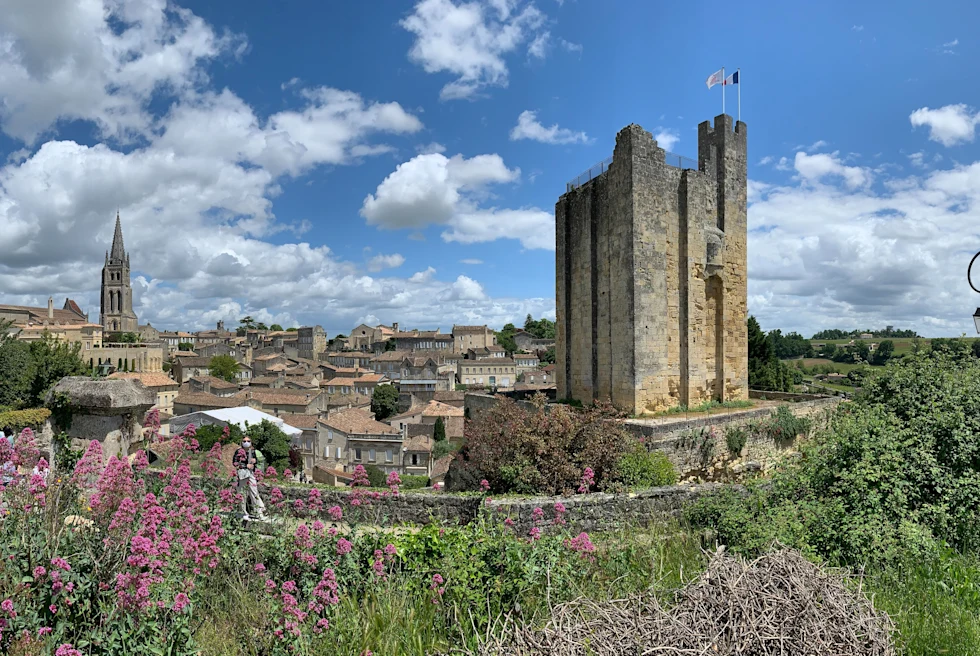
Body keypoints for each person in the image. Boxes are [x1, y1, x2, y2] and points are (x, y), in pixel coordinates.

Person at [232, 437, 267, 521]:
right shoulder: (238, 451)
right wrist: (244, 465)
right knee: (242, 494)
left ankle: (258, 512)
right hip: (242, 474)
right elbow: (234, 463)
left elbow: (258, 463)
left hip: (251, 474)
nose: (246, 442)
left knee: (254, 492)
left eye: (248, 441)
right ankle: (244, 513)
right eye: (244, 441)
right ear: (241, 442)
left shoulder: (253, 451)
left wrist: (255, 461)